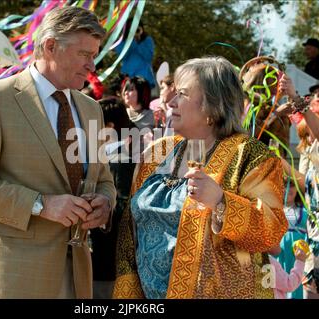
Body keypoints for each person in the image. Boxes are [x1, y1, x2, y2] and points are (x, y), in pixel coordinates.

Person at [0, 6, 116, 299]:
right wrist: (41, 204)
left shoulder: (91, 109)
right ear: (50, 46)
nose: (92, 65)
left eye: (94, 54)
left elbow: (103, 179)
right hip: (15, 277)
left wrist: (105, 203)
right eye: (85, 54)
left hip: (77, 275)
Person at [113, 57, 288, 299]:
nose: (171, 101)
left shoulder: (252, 155)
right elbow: (129, 234)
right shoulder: (156, 154)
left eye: (182, 94)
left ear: (212, 107)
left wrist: (221, 203)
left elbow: (272, 233)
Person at [280, 74, 319, 299]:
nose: (309, 139)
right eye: (305, 135)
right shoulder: (317, 166)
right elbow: (302, 182)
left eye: (310, 132)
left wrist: (296, 98)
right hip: (318, 242)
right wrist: (277, 160)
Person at [91, 98, 136, 299]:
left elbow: (124, 200)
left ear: (109, 127)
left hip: (110, 248)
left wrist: (99, 212)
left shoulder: (122, 156)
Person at [276, 176, 308, 299]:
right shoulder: (274, 211)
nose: (288, 188)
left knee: (296, 284)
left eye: (292, 185)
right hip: (279, 257)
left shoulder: (304, 211)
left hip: (297, 257)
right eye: (285, 184)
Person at [114, 20, 156, 88]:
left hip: (144, 77)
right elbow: (122, 56)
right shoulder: (121, 42)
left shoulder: (148, 40)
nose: (134, 29)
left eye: (136, 26)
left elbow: (149, 57)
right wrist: (132, 41)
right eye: (131, 27)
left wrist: (139, 42)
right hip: (127, 76)